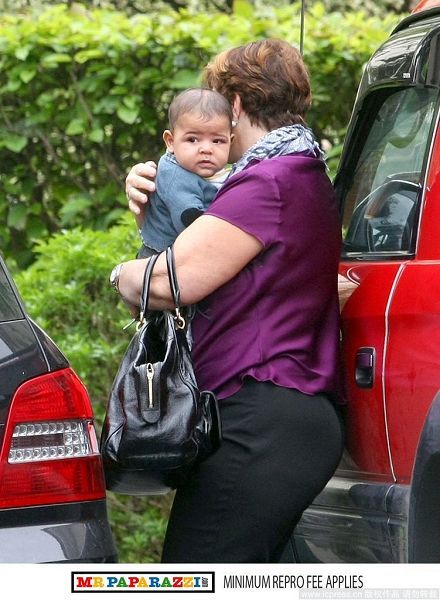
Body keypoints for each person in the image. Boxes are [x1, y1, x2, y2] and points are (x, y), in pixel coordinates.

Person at [116, 38, 344, 563]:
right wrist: (155, 207)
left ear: (236, 106)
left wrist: (120, 273)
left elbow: (168, 283)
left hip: (260, 420)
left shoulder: (268, 182)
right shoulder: (293, 171)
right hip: (271, 419)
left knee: (196, 579)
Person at [137, 88, 233, 258]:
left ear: (230, 142)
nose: (206, 149)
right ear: (170, 141)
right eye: (192, 139)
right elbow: (190, 221)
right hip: (159, 259)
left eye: (218, 141)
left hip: (181, 257)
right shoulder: (175, 175)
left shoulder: (226, 172)